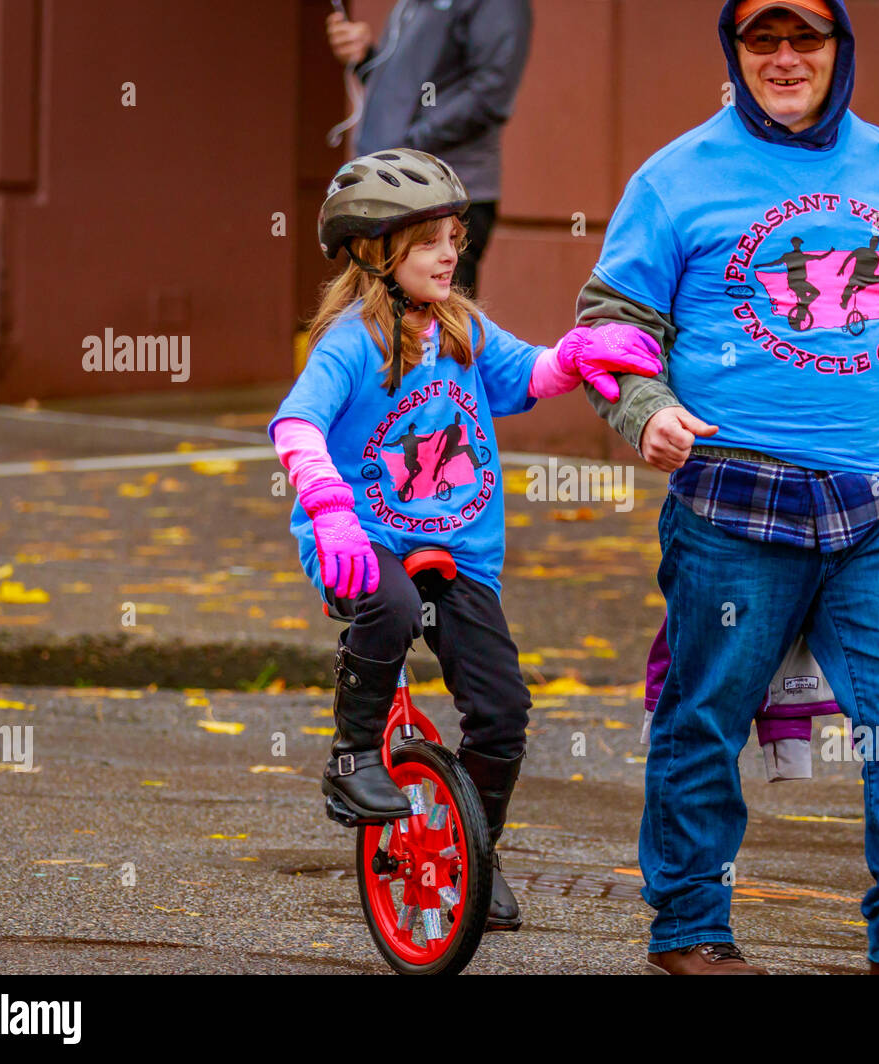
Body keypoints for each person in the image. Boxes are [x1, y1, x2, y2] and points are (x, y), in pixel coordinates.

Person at [578, 0, 879, 975]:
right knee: (703, 715)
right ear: (734, 54)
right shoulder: (676, 176)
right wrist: (641, 406)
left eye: (805, 38)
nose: (784, 59)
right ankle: (690, 931)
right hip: (733, 504)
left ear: (839, 49)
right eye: (761, 40)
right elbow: (608, 324)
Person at [269, 149, 660, 931]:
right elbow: (296, 423)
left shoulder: (463, 330)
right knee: (389, 605)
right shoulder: (351, 343)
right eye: (428, 242)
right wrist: (326, 503)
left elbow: (535, 375)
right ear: (377, 255)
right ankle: (353, 759)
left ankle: (470, 851)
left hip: (462, 548)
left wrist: (581, 356)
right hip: (362, 538)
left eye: (454, 235)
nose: (450, 253)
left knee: (503, 710)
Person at [326, 0, 532, 296]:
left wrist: (410, 143)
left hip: (443, 199)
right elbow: (411, 92)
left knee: (440, 334)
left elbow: (491, 93)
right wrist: (367, 58)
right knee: (366, 322)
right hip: (385, 194)